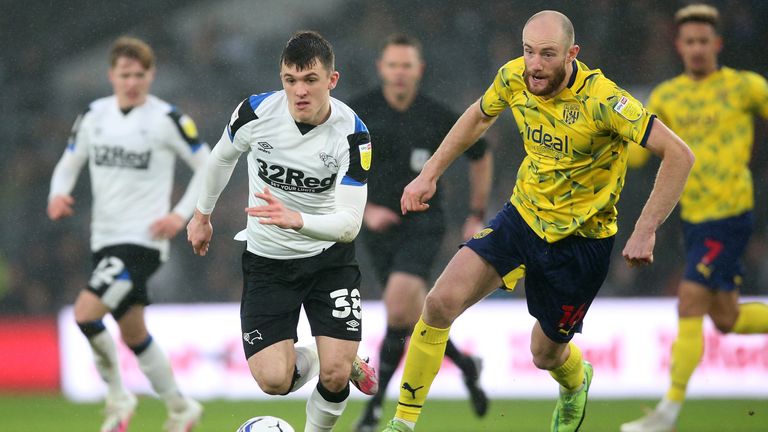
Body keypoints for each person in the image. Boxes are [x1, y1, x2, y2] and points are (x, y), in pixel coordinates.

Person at [382, 10, 696, 432]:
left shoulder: (604, 100)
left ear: (572, 53)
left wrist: (645, 228)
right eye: (529, 51)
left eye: (548, 54)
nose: (535, 64)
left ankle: (574, 382)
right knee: (438, 303)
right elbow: (478, 115)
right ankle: (402, 423)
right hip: (523, 218)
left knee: (544, 354)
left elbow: (680, 154)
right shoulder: (514, 77)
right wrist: (430, 174)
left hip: (581, 242)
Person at [186, 31, 379, 432]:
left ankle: (337, 365)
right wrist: (202, 215)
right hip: (268, 262)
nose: (299, 91)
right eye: (290, 80)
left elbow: (348, 226)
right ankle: (320, 351)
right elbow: (221, 158)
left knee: (336, 374)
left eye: (310, 79)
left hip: (329, 261)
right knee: (275, 381)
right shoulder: (255, 114)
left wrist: (299, 220)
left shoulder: (353, 134)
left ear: (332, 80)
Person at [47, 36, 208, 432]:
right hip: (103, 239)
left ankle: (118, 398)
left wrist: (179, 214)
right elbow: (70, 162)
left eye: (140, 74)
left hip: (143, 241)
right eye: (125, 75)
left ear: (151, 75)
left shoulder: (167, 119)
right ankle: (180, 407)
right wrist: (57, 194)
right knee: (134, 332)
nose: (132, 82)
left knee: (86, 314)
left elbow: (207, 165)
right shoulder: (93, 115)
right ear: (111, 76)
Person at [621, 5, 768, 432]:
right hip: (693, 219)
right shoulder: (667, 96)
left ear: (717, 44)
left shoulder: (744, 87)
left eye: (705, 41)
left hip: (730, 214)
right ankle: (668, 410)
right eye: (690, 42)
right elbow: (635, 154)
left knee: (688, 300)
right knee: (727, 319)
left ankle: (668, 411)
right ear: (679, 46)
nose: (698, 48)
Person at [348, 34, 492, 432]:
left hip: (423, 223)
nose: (399, 73)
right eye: (392, 65)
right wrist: (363, 211)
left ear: (419, 71)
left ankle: (374, 409)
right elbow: (333, 168)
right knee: (412, 318)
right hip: (376, 227)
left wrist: (476, 213)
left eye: (406, 66)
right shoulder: (358, 114)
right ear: (381, 68)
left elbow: (481, 156)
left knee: (396, 308)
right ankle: (466, 366)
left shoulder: (438, 116)